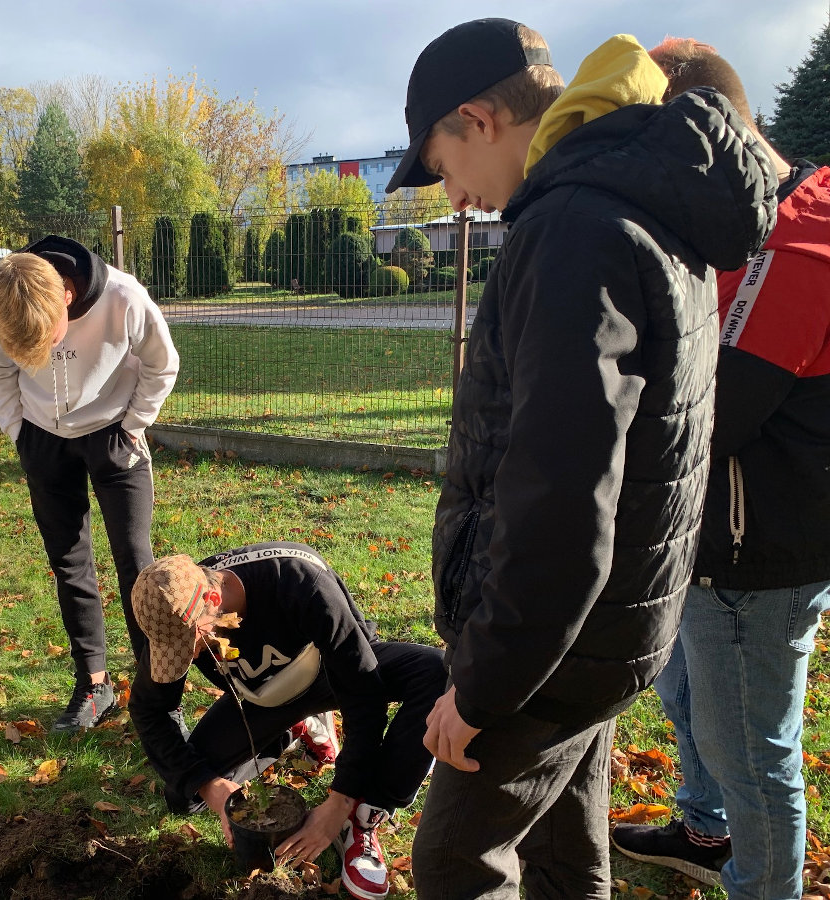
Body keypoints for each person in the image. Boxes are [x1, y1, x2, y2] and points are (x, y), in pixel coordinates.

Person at [383, 18, 777, 898]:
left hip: (555, 647)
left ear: (478, 120)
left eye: (442, 167)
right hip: (609, 630)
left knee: (455, 863)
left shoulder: (574, 228)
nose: (453, 199)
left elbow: (563, 501)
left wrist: (480, 689)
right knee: (564, 852)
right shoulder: (638, 200)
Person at [609, 39, 830, 899]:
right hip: (701, 540)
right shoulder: (748, 226)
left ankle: (762, 884)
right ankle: (705, 830)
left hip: (753, 552)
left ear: (708, 130)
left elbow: (718, 413)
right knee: (693, 705)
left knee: (754, 752)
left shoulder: (800, 237)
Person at [127, 544, 447, 900]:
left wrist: (341, 800)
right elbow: (149, 710)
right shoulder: (166, 611)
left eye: (194, 641)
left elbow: (362, 693)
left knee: (434, 671)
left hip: (331, 674)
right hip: (263, 699)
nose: (192, 653)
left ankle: (365, 816)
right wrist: (210, 786)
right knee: (185, 797)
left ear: (213, 597)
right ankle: (294, 729)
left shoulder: (299, 582)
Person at [0, 237, 179, 732]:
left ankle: (156, 692)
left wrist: (133, 425)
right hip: (42, 437)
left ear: (67, 294)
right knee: (68, 563)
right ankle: (94, 684)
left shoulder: (124, 298)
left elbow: (161, 363)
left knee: (137, 564)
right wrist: (19, 432)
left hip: (114, 435)